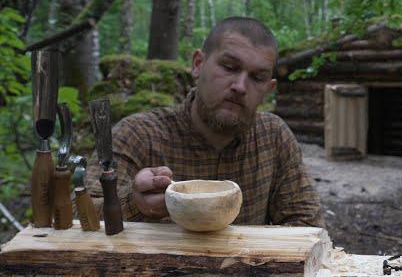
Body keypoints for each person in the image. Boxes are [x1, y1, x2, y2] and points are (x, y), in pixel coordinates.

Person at [85, 17, 325, 228]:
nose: (240, 86)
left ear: (269, 89)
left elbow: (308, 224)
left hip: (249, 274)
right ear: (198, 64)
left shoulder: (273, 137)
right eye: (229, 67)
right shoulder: (138, 134)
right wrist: (134, 202)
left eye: (257, 77)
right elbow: (81, 214)